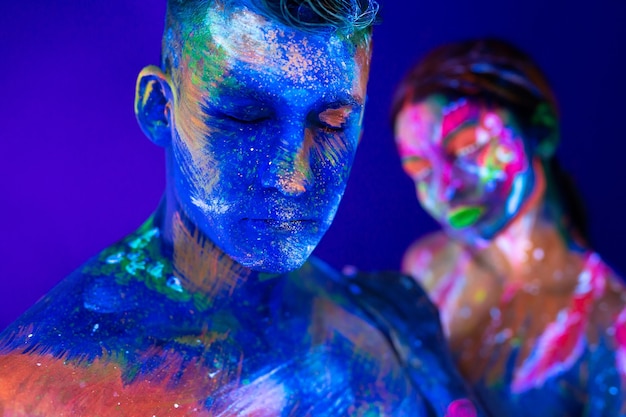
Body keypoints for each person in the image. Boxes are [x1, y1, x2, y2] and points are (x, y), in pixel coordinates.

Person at [0, 1, 484, 416]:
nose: (292, 175)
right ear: (158, 107)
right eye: (246, 116)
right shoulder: (42, 388)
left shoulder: (394, 318)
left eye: (332, 122)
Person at [392, 37, 626, 416]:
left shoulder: (609, 329)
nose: (444, 187)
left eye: (467, 149)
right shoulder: (428, 265)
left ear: (542, 130)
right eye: (419, 170)